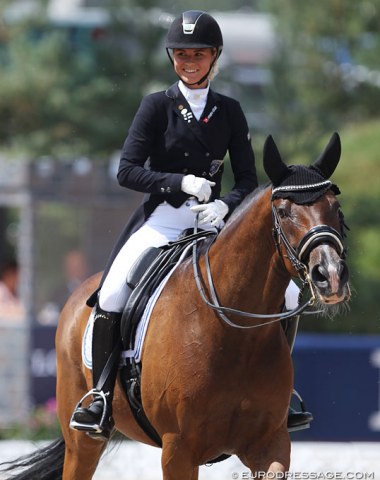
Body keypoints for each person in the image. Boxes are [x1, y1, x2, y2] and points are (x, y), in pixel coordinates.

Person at [70, 10, 312, 440]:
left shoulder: (230, 110)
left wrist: (226, 207)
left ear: (213, 57)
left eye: (197, 54)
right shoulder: (156, 106)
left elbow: (249, 180)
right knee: (111, 291)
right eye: (181, 54)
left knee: (289, 290)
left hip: (214, 223)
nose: (188, 61)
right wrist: (178, 181)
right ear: (172, 58)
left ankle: (281, 390)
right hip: (163, 219)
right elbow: (126, 170)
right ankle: (102, 396)